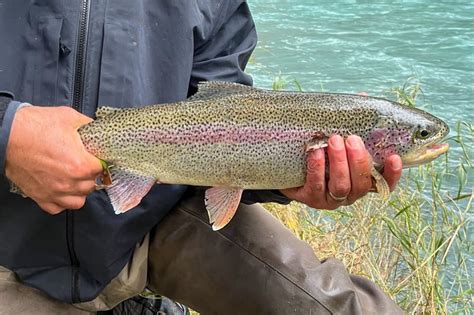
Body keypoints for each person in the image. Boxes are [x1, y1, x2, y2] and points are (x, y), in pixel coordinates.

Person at [0, 1, 404, 314]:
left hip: (152, 217)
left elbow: (224, 114)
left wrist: (291, 171)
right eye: (417, 136)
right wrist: (7, 136)